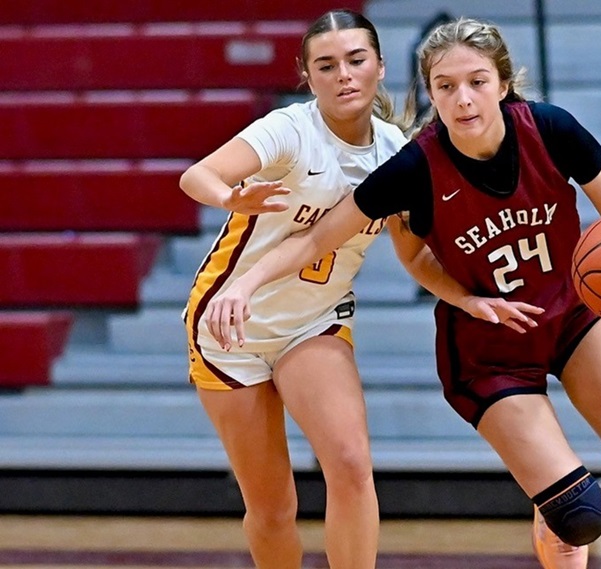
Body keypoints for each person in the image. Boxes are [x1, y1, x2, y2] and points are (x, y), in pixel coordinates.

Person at [205, 17, 601, 569]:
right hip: (490, 349)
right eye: (445, 86)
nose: (463, 99)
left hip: (574, 318)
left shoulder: (552, 129)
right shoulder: (414, 166)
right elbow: (331, 240)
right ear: (429, 93)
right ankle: (554, 501)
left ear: (503, 84)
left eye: (477, 81)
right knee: (579, 512)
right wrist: (245, 280)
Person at [178, 10, 408, 569]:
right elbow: (196, 176)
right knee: (274, 507)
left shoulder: (397, 151)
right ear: (308, 76)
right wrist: (231, 198)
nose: (344, 75)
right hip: (232, 326)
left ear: (379, 66)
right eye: (326, 66)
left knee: (351, 464)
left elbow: (416, 250)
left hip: (315, 322)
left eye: (356, 60)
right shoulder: (288, 129)